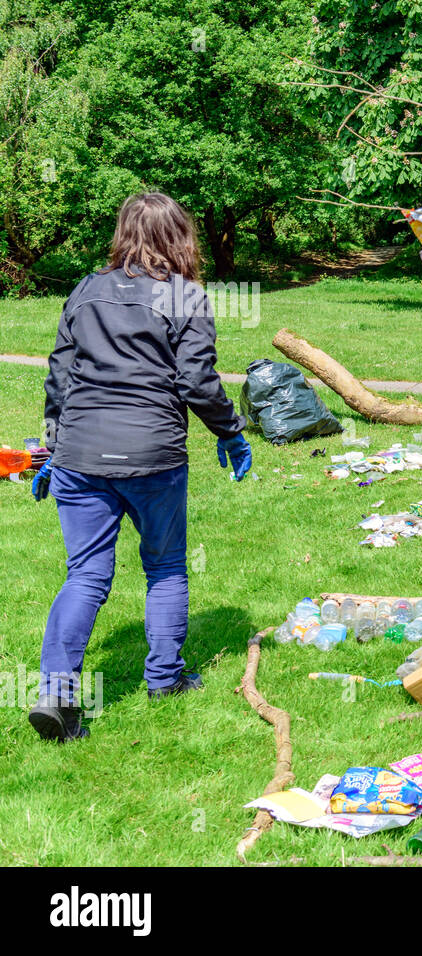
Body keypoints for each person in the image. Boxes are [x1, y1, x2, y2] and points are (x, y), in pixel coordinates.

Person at [28, 192, 253, 742]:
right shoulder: (186, 297)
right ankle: (165, 680)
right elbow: (197, 383)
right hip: (152, 456)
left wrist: (52, 447)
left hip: (80, 454)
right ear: (180, 237)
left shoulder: (84, 290)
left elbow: (59, 379)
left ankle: (56, 693)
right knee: (166, 567)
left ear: (124, 234)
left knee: (84, 574)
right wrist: (231, 431)